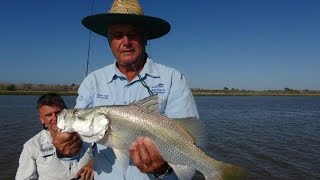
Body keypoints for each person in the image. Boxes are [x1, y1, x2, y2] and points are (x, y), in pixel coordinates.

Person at [53, 0, 200, 179]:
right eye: (117, 35)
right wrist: (66, 149)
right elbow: (82, 147)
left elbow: (190, 139)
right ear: (109, 41)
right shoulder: (92, 82)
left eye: (132, 34)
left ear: (145, 37)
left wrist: (162, 168)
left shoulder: (173, 79)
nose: (126, 42)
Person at [16, 93, 94, 180]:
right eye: (49, 115)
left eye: (58, 113)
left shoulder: (89, 135)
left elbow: (107, 155)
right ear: (41, 118)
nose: (55, 118)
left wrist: (93, 164)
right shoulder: (31, 146)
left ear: (67, 112)